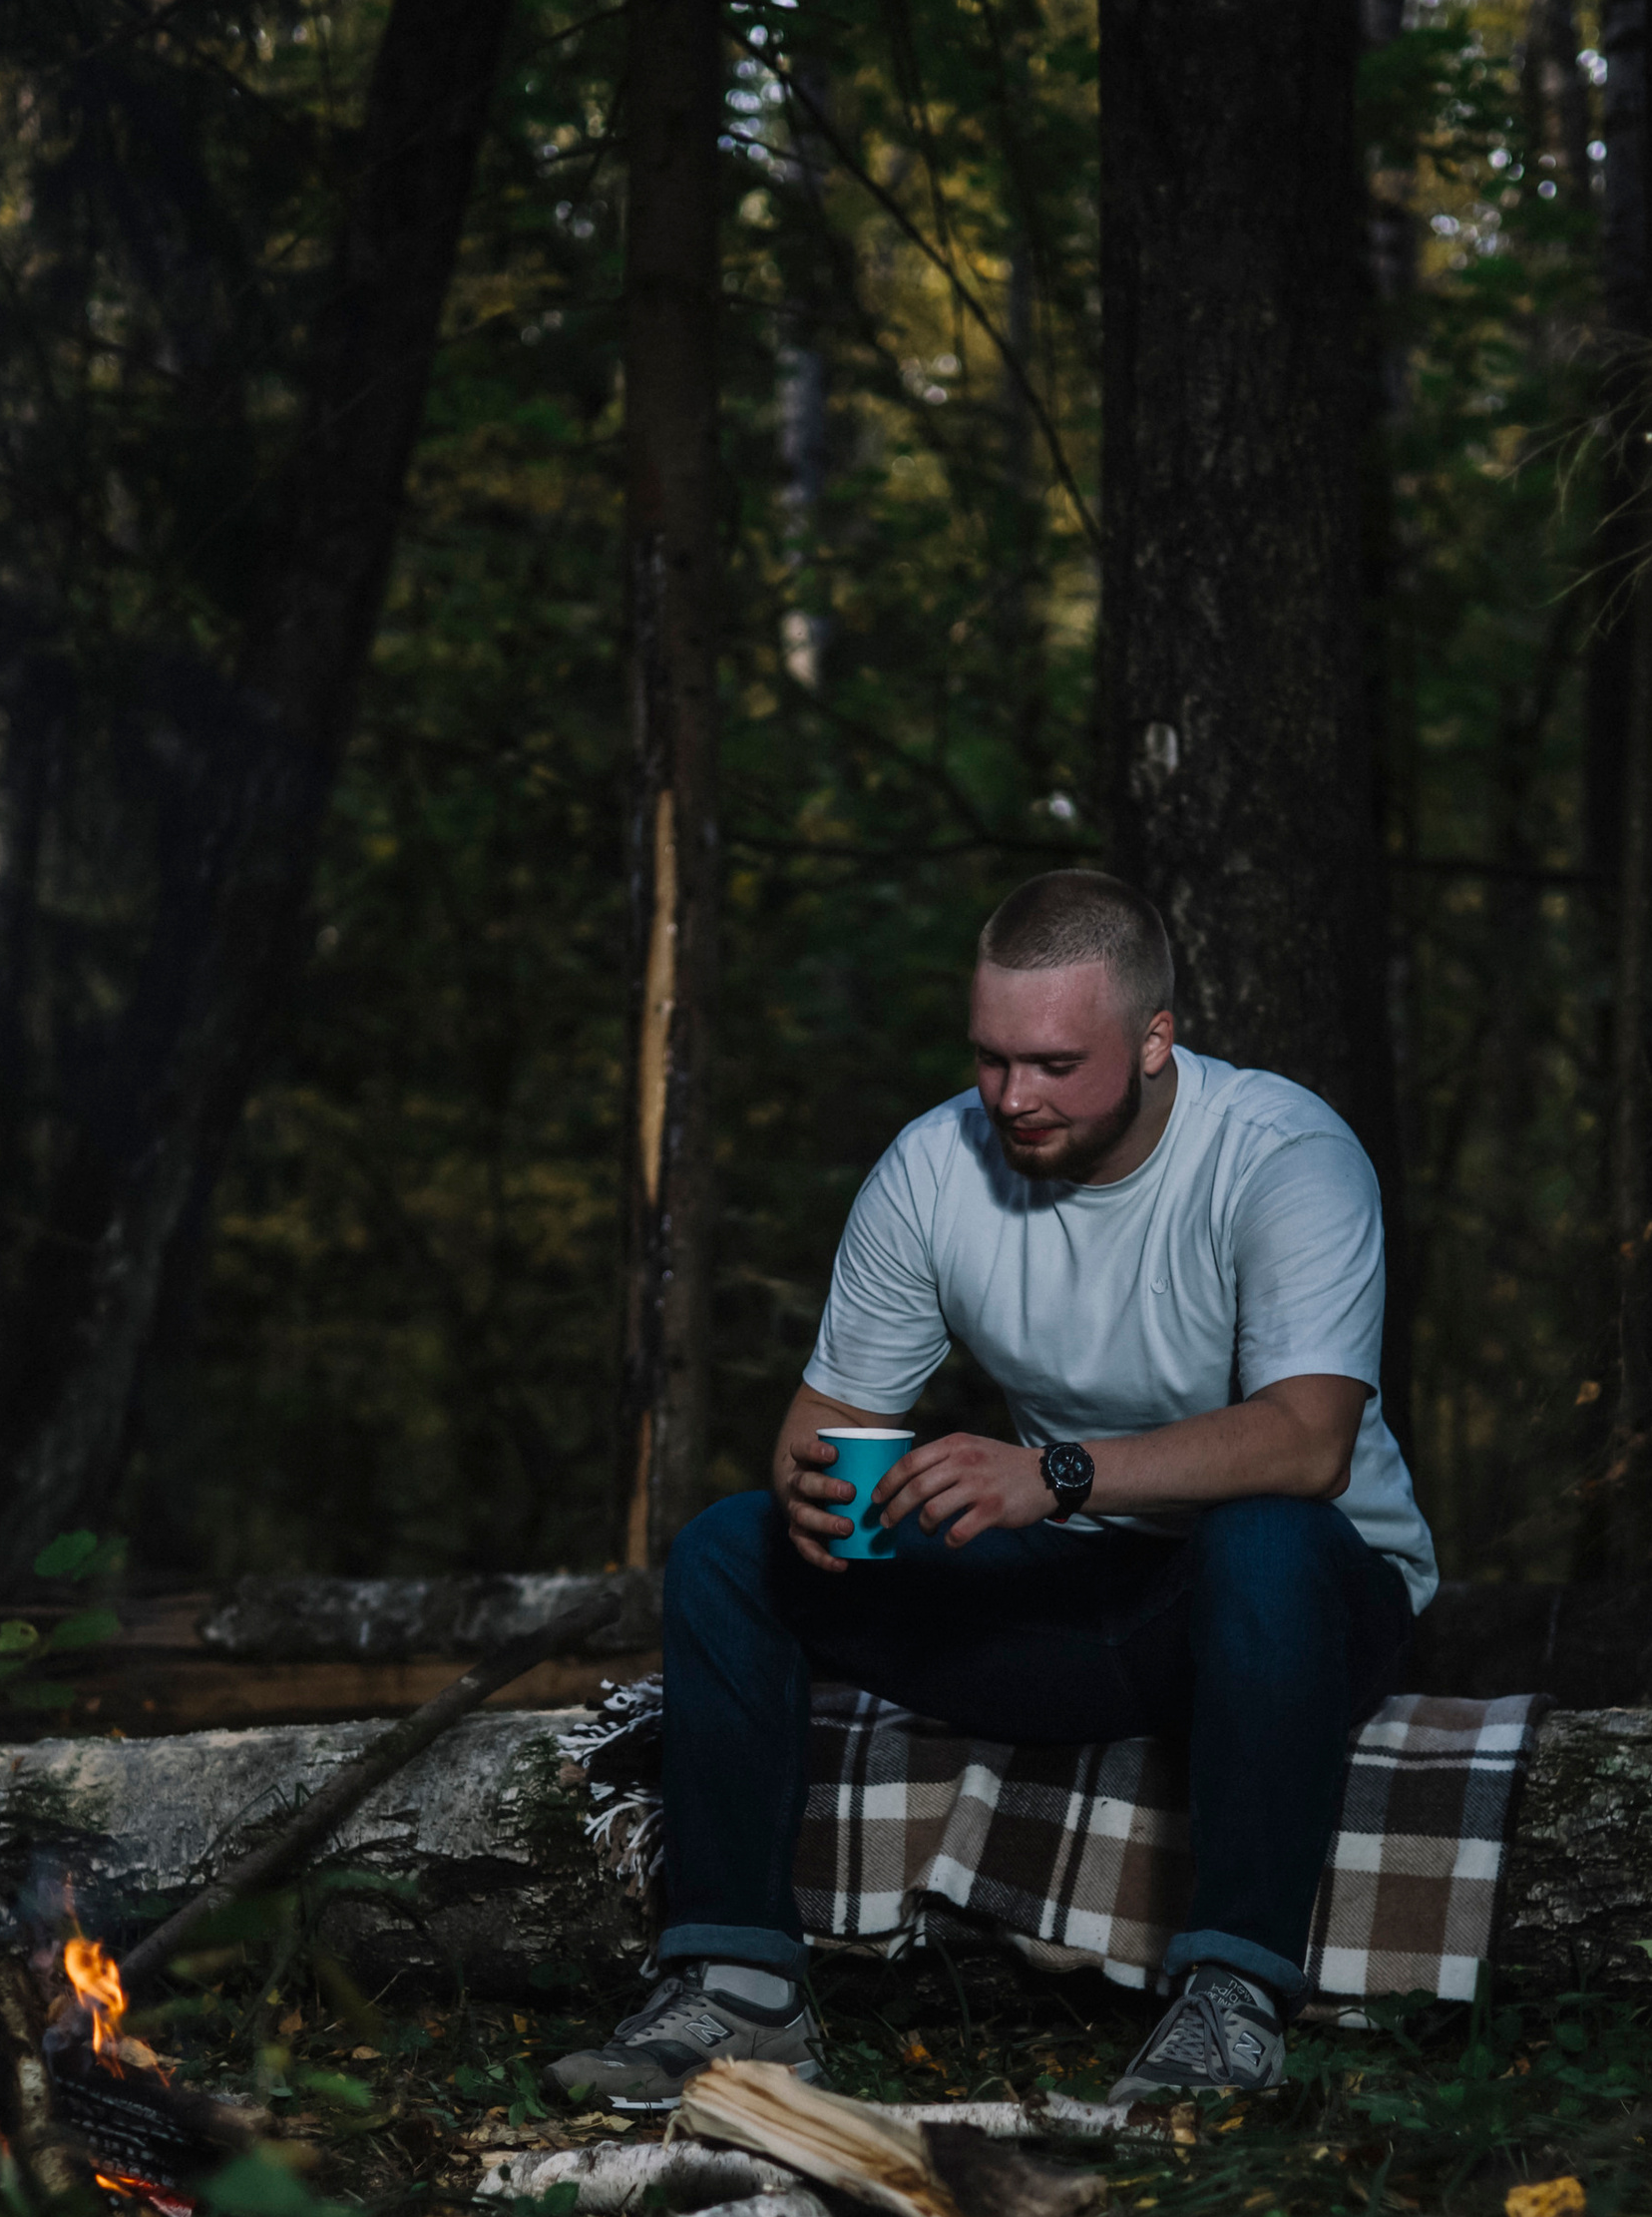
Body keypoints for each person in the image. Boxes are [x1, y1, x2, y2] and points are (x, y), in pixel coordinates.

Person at [551, 868, 1437, 2110]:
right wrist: (824, 1491)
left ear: (1154, 1039)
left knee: (1267, 1537)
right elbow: (822, 1423)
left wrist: (1055, 1476)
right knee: (727, 1548)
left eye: (1055, 1065)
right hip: (1076, 1600)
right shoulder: (932, 1168)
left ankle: (1230, 2007)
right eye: (991, 1059)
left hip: (1290, 1608)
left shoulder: (1283, 1154)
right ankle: (740, 1988)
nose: (1014, 1097)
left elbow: (1308, 1442)